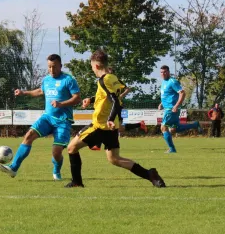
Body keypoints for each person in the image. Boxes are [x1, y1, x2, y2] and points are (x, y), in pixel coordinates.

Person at [64, 49, 165, 188]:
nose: (92, 69)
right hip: (111, 128)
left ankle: (76, 182)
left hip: (100, 126)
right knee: (114, 159)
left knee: (71, 148)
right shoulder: (112, 77)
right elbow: (109, 97)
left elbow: (115, 101)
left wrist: (110, 118)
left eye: (92, 66)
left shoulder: (103, 80)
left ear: (97, 66)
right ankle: (150, 174)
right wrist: (91, 99)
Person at [0, 54, 81, 181]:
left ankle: (56, 170)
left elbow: (77, 98)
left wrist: (61, 104)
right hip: (47, 117)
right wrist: (23, 92)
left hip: (63, 121)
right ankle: (13, 168)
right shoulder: (46, 80)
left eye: (54, 67)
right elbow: (40, 91)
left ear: (60, 66)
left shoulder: (68, 79)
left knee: (56, 152)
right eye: (49, 67)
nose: (52, 70)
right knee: (29, 135)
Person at [158, 65, 202, 153]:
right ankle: (195, 125)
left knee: (163, 127)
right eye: (161, 72)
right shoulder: (163, 83)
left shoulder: (172, 82)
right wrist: (161, 103)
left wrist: (176, 106)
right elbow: (167, 95)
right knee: (174, 129)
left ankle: (172, 149)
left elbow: (182, 93)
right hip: (169, 108)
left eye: (165, 72)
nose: (163, 73)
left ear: (168, 72)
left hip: (171, 109)